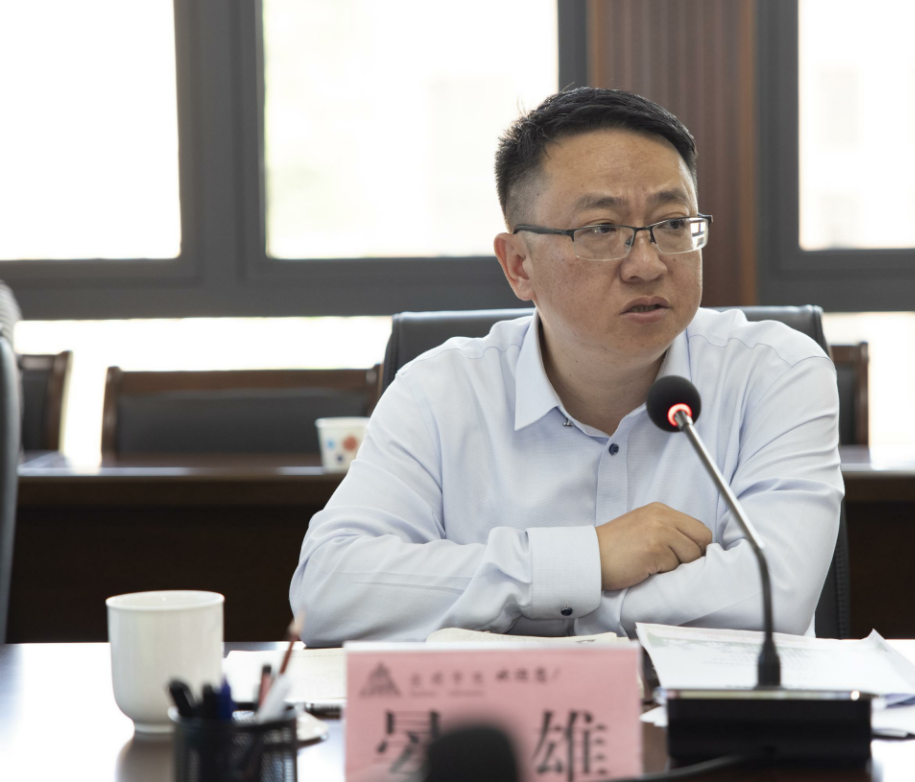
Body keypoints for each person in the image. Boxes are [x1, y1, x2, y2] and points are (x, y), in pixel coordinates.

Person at [290, 88, 843, 645]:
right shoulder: (438, 394)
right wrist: (591, 558)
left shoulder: (776, 373)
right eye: (601, 230)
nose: (647, 264)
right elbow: (330, 590)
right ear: (519, 265)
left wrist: (549, 598)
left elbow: (773, 594)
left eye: (673, 224)